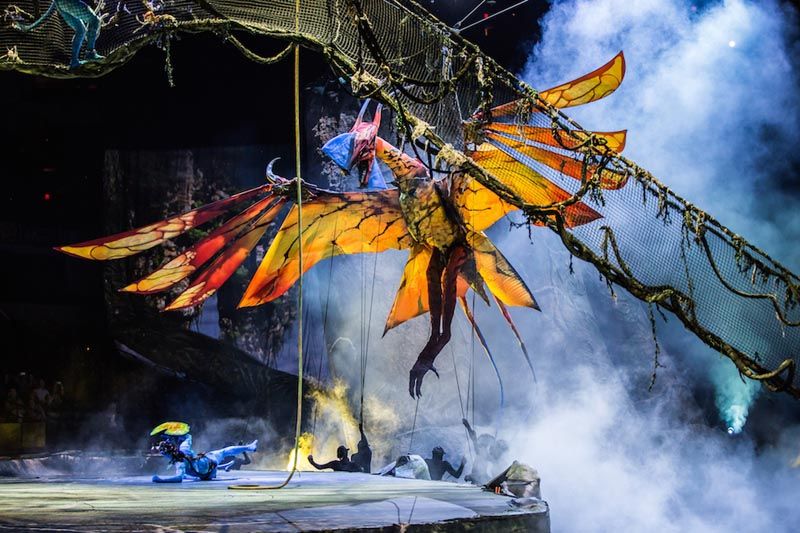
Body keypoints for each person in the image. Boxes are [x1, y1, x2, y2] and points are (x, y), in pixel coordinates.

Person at [151, 428, 258, 483]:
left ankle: (246, 449)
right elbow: (188, 436)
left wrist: (160, 480)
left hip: (209, 473)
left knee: (222, 453)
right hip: (209, 461)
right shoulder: (184, 448)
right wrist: (175, 434)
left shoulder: (180, 464)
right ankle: (249, 447)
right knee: (224, 452)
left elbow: (178, 478)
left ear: (167, 454)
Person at [462, 418, 507, 485]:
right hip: (478, 479)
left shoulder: (484, 452)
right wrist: (468, 427)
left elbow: (474, 440)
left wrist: (468, 427)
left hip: (480, 479)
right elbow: (474, 439)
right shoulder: (482, 451)